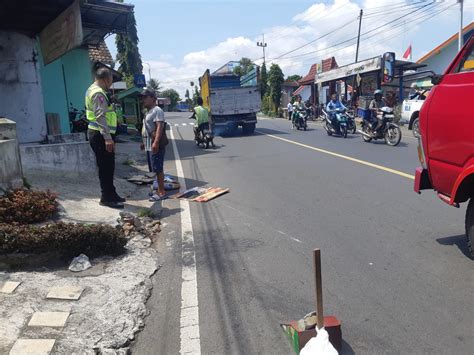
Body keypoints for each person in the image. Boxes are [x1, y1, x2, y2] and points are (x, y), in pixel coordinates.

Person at [85, 63, 124, 209]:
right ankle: (106, 197)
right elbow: (100, 116)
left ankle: (112, 193)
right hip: (100, 135)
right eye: (111, 81)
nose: (111, 84)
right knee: (105, 167)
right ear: (107, 79)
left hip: (102, 134)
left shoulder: (93, 90)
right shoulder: (98, 93)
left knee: (109, 166)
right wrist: (107, 138)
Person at [140, 88, 168, 202]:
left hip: (156, 144)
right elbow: (147, 128)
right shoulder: (148, 112)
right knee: (154, 168)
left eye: (145, 97)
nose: (143, 100)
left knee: (158, 168)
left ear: (153, 98)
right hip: (149, 143)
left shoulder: (157, 110)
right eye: (142, 98)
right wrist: (144, 143)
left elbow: (159, 127)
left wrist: (156, 142)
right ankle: (157, 189)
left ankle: (161, 192)